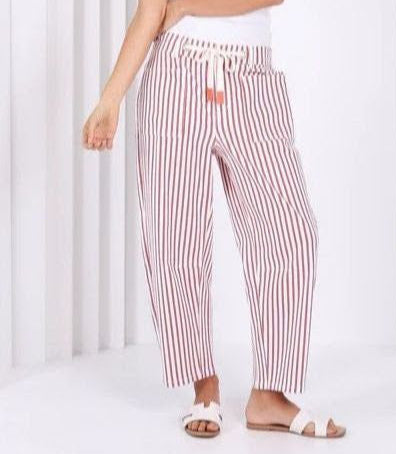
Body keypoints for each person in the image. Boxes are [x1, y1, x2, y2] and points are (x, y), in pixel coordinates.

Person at [82, 0, 345, 439]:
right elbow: (151, 11)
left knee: (291, 233)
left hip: (251, 80)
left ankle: (270, 394)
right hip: (174, 78)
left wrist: (187, 3)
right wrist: (110, 99)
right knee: (175, 238)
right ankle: (203, 383)